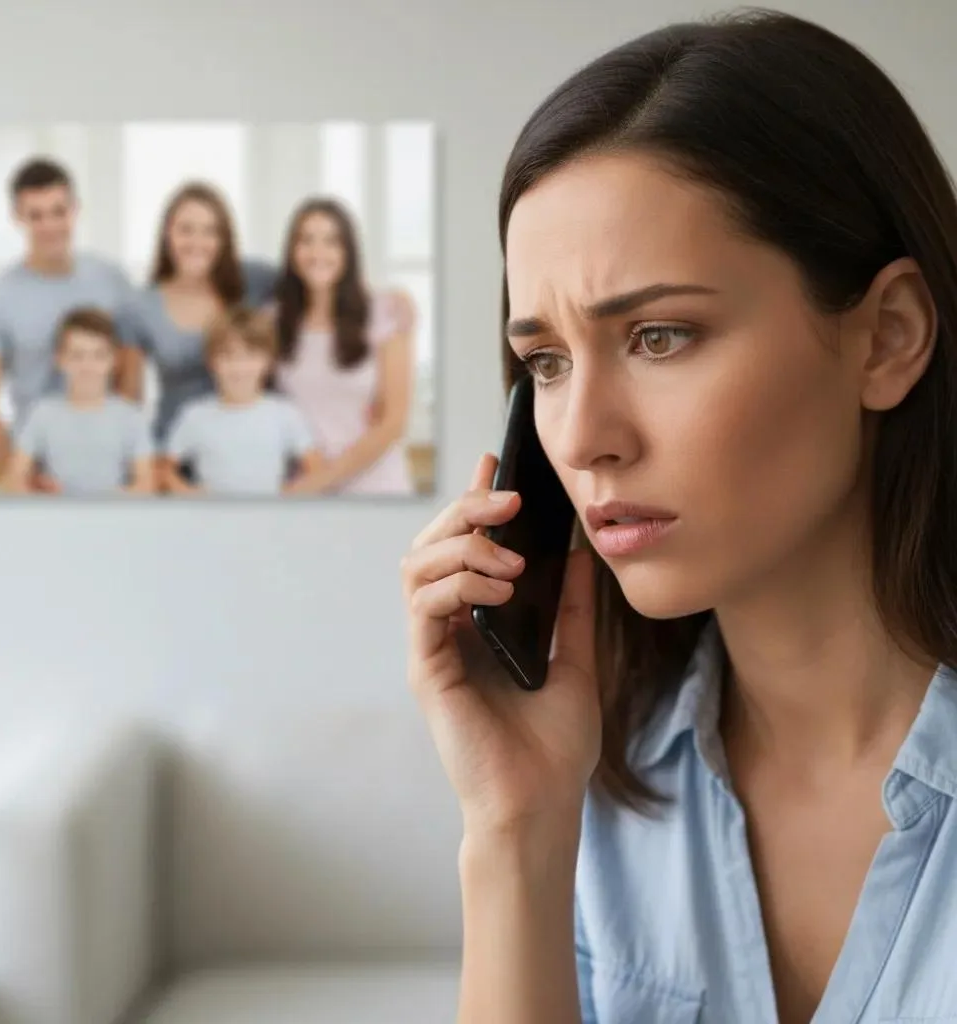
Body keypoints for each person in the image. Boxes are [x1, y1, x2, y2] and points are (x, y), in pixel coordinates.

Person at [402, 10, 957, 1024]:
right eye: (545, 362)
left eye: (658, 336)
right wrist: (516, 829)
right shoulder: (593, 780)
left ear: (887, 335)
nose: (581, 438)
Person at [0, 158, 134, 485]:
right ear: (17, 217)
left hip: (107, 468)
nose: (50, 226)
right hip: (35, 467)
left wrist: (125, 454)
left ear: (75, 209)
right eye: (36, 215)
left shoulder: (112, 281)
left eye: (59, 211)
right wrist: (23, 473)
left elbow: (128, 376)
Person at [262, 197, 416, 497]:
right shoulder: (271, 320)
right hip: (302, 494)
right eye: (306, 240)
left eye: (331, 241)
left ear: (348, 252)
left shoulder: (384, 312)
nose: (317, 252)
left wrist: (319, 481)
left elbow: (393, 423)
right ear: (292, 250)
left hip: (377, 488)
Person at [116, 181, 278, 452]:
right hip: (174, 452)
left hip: (248, 449)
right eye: (186, 230)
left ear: (224, 239)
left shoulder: (255, 281)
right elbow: (129, 401)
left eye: (210, 232)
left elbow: (311, 284)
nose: (197, 242)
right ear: (167, 234)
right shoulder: (140, 307)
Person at [160, 306, 323, 497]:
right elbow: (164, 469)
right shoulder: (195, 415)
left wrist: (289, 495)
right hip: (212, 513)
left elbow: (315, 468)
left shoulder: (285, 414)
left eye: (250, 356)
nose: (238, 367)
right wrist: (187, 492)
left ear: (268, 361)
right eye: (227, 357)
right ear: (211, 361)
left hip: (269, 512)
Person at [5, 308, 153, 496]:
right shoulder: (42, 413)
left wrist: (107, 500)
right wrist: (38, 493)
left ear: (114, 359)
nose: (87, 366)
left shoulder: (131, 417)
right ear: (60, 359)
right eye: (77, 355)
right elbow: (14, 479)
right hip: (57, 512)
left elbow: (146, 485)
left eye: (99, 355)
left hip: (113, 512)